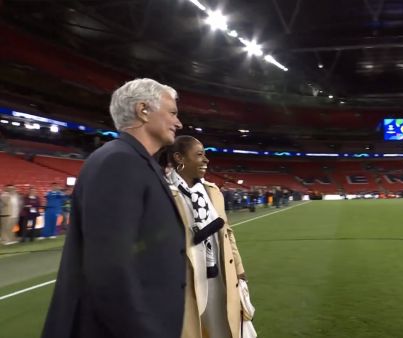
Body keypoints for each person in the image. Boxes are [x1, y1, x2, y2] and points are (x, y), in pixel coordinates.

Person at [42, 78, 186, 338]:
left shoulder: (135, 161)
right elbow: (110, 270)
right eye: (173, 113)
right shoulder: (120, 162)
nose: (179, 123)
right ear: (143, 110)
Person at [158, 135, 251, 338]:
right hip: (186, 282)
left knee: (225, 331)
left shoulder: (213, 192)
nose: (206, 160)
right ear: (179, 158)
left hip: (219, 277)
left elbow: (227, 234)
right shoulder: (164, 194)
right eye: (199, 155)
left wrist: (239, 269)